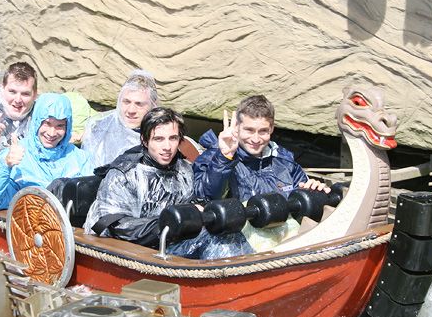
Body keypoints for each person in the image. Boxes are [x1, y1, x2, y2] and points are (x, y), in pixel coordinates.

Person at [84, 107, 251, 259]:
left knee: (228, 233)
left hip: (170, 244)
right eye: (158, 139)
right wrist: (169, 223)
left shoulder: (183, 168)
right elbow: (115, 226)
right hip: (128, 252)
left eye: (173, 138)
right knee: (211, 240)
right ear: (144, 140)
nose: (167, 147)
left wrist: (224, 156)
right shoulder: (124, 175)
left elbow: (204, 196)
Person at [193, 95, 329, 250]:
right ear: (237, 127)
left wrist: (314, 192)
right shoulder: (215, 156)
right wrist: (225, 157)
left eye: (263, 131)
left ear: (272, 129)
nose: (256, 139)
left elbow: (304, 208)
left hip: (288, 246)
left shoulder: (285, 161)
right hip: (237, 248)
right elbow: (205, 198)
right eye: (249, 130)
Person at [0, 93, 93, 213]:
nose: (52, 133)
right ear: (36, 122)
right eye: (47, 123)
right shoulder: (15, 155)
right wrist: (5, 165)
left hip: (71, 223)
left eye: (60, 126)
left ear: (67, 127)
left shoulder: (80, 157)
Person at [81, 70, 158, 168]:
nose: (131, 110)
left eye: (139, 104)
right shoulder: (99, 128)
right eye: (126, 102)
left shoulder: (162, 134)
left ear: (153, 104)